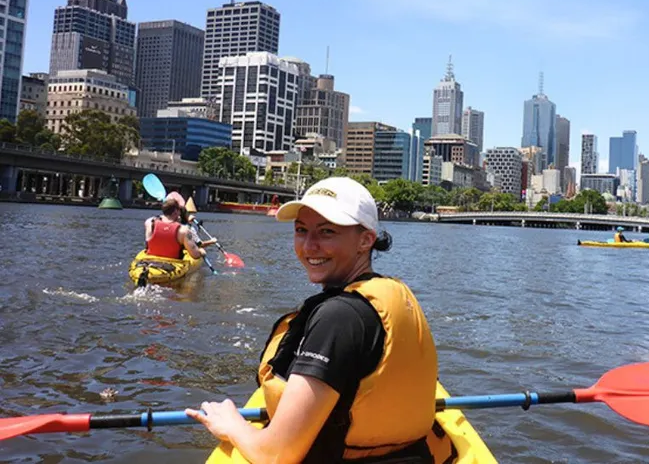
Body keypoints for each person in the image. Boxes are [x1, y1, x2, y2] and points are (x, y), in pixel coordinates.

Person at [186, 177, 438, 463]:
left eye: (327, 231)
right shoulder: (394, 293)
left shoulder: (338, 318)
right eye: (301, 230)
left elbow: (276, 456)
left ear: (366, 240)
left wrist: (232, 425)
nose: (309, 246)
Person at [144, 196, 206, 260]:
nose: (180, 213)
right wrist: (201, 251)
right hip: (172, 262)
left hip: (150, 260)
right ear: (176, 211)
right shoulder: (183, 230)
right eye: (179, 210)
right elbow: (195, 255)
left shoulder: (149, 222)